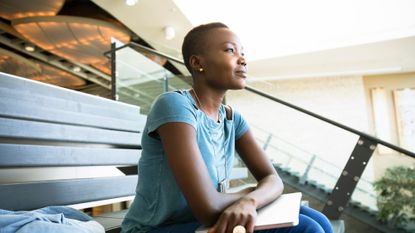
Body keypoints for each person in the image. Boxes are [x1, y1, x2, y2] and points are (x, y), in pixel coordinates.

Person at [121, 22, 333, 233]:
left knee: (318, 219)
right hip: (155, 229)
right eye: (230, 50)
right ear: (197, 63)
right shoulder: (174, 105)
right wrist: (253, 192)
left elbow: (274, 180)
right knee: (307, 228)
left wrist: (249, 201)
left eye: (243, 52)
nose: (243, 59)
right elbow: (208, 207)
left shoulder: (233, 118)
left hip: (198, 224)